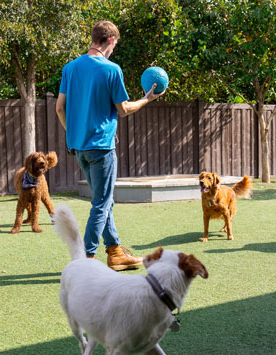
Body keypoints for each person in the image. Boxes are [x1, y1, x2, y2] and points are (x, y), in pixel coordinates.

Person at [55, 21, 165, 270]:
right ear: (111, 41)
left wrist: (73, 134)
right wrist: (147, 99)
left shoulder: (70, 68)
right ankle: (87, 261)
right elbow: (123, 109)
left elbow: (59, 108)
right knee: (101, 204)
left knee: (104, 201)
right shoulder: (112, 69)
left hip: (79, 147)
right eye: (115, 45)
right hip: (102, 148)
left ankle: (115, 252)